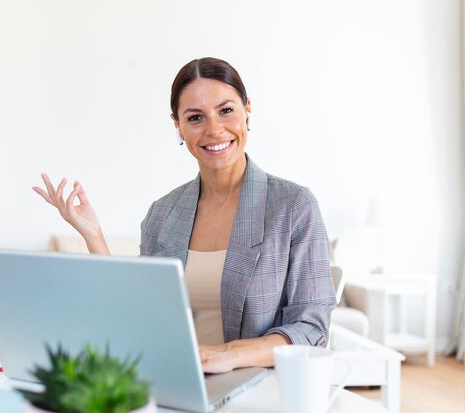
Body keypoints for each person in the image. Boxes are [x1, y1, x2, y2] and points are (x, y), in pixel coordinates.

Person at [33, 57, 336, 374]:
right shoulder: (163, 213)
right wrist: (93, 234)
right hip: (171, 379)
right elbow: (138, 315)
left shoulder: (293, 206)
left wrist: (228, 355)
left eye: (226, 110)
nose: (214, 129)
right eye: (195, 118)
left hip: (256, 387)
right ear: (177, 125)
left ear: (248, 110)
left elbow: (311, 328)